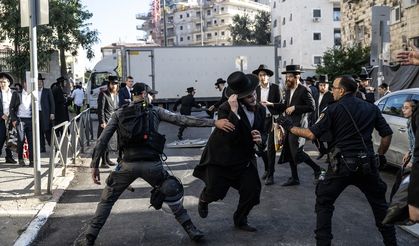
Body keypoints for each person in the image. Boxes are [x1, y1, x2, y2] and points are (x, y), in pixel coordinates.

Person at [83, 82, 235, 245]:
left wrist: (95, 165)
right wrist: (214, 123)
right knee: (172, 192)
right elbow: (182, 119)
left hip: (127, 165)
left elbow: (102, 140)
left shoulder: (119, 113)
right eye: (150, 94)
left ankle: (90, 237)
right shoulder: (155, 111)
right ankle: (191, 229)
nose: (152, 97)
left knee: (106, 200)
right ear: (142, 95)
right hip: (152, 166)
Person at [276, 75, 397, 245]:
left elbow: (311, 134)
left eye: (334, 87)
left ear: (341, 90)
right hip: (367, 165)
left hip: (342, 166)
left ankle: (323, 242)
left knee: (324, 202)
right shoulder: (371, 108)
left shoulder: (333, 109)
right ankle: (391, 242)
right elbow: (387, 134)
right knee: (381, 207)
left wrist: (289, 127)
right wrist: (381, 155)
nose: (332, 90)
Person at [193, 71, 266, 232]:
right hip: (222, 158)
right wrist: (234, 112)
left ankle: (240, 219)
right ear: (238, 99)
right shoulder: (226, 108)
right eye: (248, 97)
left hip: (244, 157)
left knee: (252, 191)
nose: (253, 98)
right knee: (215, 192)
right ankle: (204, 199)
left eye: (254, 93)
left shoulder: (260, 109)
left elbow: (263, 131)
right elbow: (228, 136)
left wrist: (261, 139)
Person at [269, 65, 321, 186]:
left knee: (296, 152)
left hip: (299, 126)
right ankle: (294, 178)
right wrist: (271, 104)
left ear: (297, 77)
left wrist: (295, 107)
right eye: (287, 76)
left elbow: (312, 107)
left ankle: (317, 169)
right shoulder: (287, 90)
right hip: (288, 125)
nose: (287, 78)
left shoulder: (304, 90)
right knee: (289, 151)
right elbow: (284, 106)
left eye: (290, 76)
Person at [397, 47, 419, 222]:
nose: (403, 110)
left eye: (406, 108)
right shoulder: (411, 121)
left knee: (414, 213)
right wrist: (410, 153)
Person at [254, 64, 281, 185]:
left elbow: (281, 105)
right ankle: (267, 168)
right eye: (260, 75)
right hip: (260, 121)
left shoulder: (275, 88)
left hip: (272, 120)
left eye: (264, 75)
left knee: (270, 149)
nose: (262, 77)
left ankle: (271, 175)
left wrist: (270, 104)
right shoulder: (256, 89)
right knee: (260, 147)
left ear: (268, 76)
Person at [9, 80, 34, 167]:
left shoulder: (34, 94)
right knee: (20, 140)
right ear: (24, 84)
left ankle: (32, 160)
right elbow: (11, 107)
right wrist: (14, 119)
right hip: (20, 120)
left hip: (30, 120)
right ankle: (20, 159)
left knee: (31, 141)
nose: (29, 85)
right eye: (27, 83)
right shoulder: (17, 94)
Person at [97, 75, 119, 168]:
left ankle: (107, 159)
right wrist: (102, 122)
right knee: (104, 143)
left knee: (109, 142)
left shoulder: (114, 94)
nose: (114, 86)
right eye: (112, 84)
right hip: (105, 122)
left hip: (111, 122)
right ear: (109, 84)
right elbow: (100, 109)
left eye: (116, 84)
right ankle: (103, 162)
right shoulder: (103, 94)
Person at [314, 75, 334, 160]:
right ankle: (322, 150)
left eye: (324, 85)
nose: (323, 87)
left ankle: (329, 156)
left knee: (329, 140)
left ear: (328, 86)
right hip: (317, 121)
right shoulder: (316, 95)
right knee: (315, 137)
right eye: (321, 85)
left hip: (328, 121)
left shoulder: (331, 95)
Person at [0, 73, 16, 164]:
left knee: (10, 138)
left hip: (11, 119)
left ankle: (9, 157)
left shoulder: (13, 93)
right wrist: (1, 115)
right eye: (0, 82)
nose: (2, 84)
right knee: (1, 138)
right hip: (1, 119)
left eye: (4, 82)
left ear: (8, 83)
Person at [38, 74, 55, 152]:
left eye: (41, 81)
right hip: (37, 114)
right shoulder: (33, 92)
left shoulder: (47, 91)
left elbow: (52, 103)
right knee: (39, 131)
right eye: (38, 81)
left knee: (47, 130)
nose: (39, 83)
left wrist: (52, 113)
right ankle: (42, 147)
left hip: (46, 114)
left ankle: (53, 145)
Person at [402, 100, 416, 169]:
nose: (403, 110)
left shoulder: (414, 122)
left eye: (406, 108)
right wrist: (409, 152)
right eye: (403, 108)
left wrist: (412, 161)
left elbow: (416, 143)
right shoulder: (409, 121)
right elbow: (412, 141)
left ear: (413, 109)